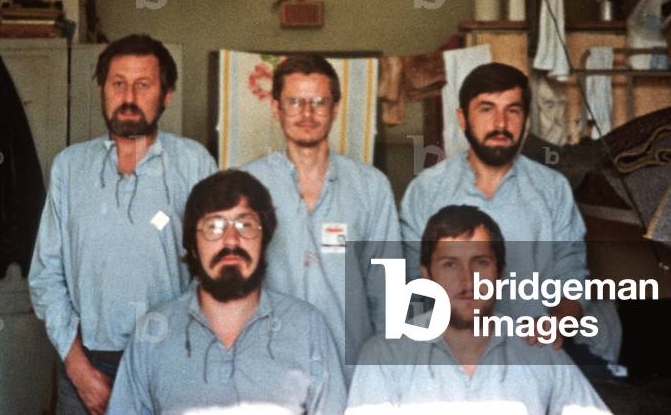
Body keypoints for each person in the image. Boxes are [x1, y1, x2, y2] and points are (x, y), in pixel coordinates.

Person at [29, 34, 217, 414]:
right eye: (118, 83)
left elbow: (213, 271)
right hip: (86, 361)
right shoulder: (70, 167)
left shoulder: (195, 164)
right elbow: (46, 274)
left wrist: (181, 355)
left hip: (171, 360)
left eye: (143, 85)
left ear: (167, 95)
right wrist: (77, 367)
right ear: (102, 89)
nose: (128, 96)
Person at [108, 169, 347, 414]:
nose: (231, 240)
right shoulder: (152, 333)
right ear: (193, 246)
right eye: (213, 226)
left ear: (264, 241)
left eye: (246, 225)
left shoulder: (308, 327)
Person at [399, 62, 599, 354]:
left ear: (526, 120)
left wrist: (557, 322)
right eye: (487, 109)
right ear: (462, 118)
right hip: (448, 355)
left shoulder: (552, 188)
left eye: (513, 110)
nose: (501, 124)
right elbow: (412, 284)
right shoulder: (426, 190)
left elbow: (571, 276)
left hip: (532, 351)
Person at [347, 205, 610, 414]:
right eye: (450, 264)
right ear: (427, 275)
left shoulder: (537, 350)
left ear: (500, 274)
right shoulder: (385, 356)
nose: (467, 279)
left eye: (481, 263)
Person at [242, 55, 401, 379]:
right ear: (275, 108)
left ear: (335, 108)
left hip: (351, 368)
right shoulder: (247, 185)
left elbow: (388, 290)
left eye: (318, 102)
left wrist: (388, 371)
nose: (307, 113)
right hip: (269, 369)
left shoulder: (370, 187)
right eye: (294, 102)